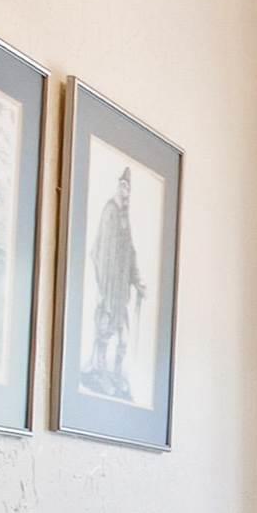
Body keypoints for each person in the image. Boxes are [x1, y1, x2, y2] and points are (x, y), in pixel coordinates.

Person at [91, 166, 145, 396]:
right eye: (124, 185)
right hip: (109, 289)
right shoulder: (110, 211)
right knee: (104, 332)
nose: (127, 191)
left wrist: (137, 281)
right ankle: (99, 374)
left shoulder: (125, 217)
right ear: (119, 185)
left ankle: (114, 375)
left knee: (123, 338)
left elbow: (130, 252)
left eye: (129, 187)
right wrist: (103, 287)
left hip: (122, 291)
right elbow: (100, 250)